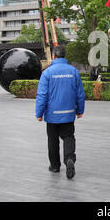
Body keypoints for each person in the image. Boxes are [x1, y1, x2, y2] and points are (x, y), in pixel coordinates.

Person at [36, 45, 85, 179]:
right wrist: (80, 110)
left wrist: (39, 113)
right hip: (69, 113)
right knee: (68, 137)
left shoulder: (47, 73)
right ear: (64, 55)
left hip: (52, 115)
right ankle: (69, 159)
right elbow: (80, 93)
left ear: (53, 56)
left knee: (52, 140)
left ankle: (55, 166)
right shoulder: (73, 71)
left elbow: (42, 95)